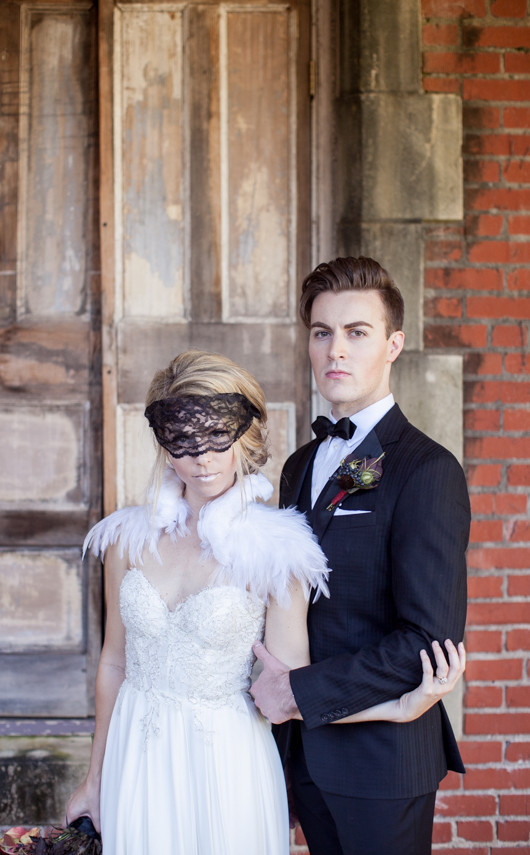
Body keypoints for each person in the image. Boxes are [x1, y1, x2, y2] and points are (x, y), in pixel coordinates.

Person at [66, 349, 466, 855]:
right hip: (135, 760)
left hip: (227, 766)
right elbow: (113, 663)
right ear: (164, 444)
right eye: (183, 439)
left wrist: (400, 707)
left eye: (217, 435)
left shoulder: (277, 553)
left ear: (244, 434)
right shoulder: (127, 540)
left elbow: (289, 689)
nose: (202, 457)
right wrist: (95, 777)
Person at [250, 257, 470, 855]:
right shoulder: (299, 465)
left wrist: (298, 692)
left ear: (393, 345)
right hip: (305, 758)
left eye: (357, 332)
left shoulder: (426, 470)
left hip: (382, 765)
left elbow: (427, 640)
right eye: (322, 332)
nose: (336, 350)